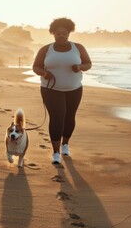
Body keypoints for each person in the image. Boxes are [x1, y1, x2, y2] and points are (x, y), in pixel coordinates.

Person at [32, 17, 92, 164]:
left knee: (69, 117)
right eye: (58, 33)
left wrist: (79, 67)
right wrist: (44, 73)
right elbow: (36, 67)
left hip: (74, 89)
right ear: (53, 33)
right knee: (57, 117)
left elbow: (88, 64)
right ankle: (55, 153)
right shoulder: (46, 49)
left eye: (64, 33)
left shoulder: (78, 47)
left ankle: (65, 144)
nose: (61, 35)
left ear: (69, 33)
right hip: (51, 89)